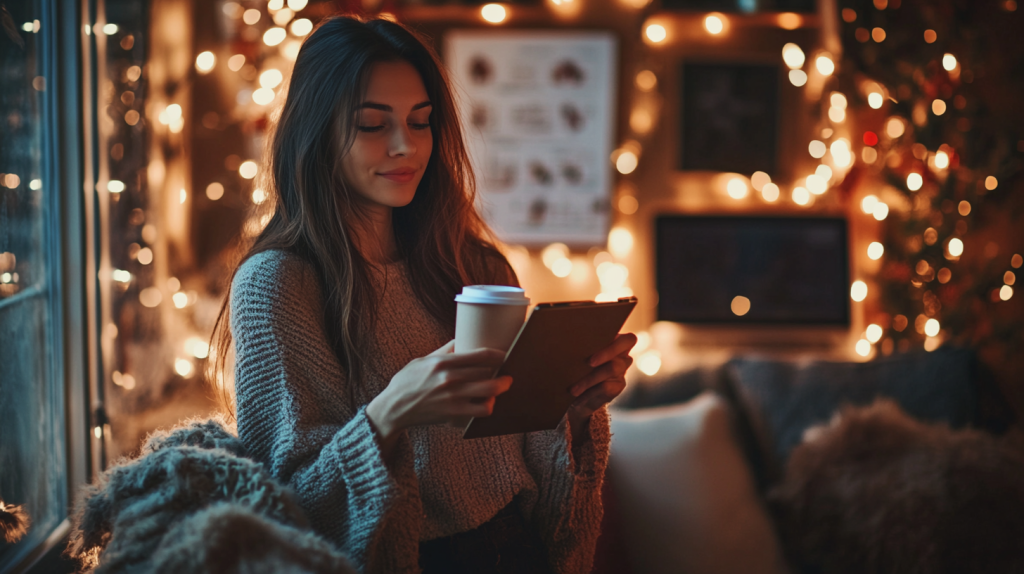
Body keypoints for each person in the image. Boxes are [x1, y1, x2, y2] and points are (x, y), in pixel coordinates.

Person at [211, 15, 636, 574]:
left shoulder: (474, 266)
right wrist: (389, 413)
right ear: (316, 133)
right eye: (372, 124)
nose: (405, 145)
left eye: (420, 121)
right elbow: (288, 510)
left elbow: (526, 457)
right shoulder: (278, 286)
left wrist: (573, 407)